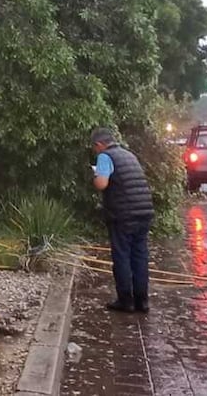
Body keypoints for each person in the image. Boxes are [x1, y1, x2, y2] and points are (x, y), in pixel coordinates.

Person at [91, 127, 154, 313]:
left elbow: (102, 183)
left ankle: (125, 301)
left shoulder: (105, 157)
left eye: (94, 147)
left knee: (122, 256)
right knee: (140, 256)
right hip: (144, 213)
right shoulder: (129, 155)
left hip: (123, 215)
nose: (95, 151)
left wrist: (94, 176)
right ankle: (142, 301)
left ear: (99, 144)